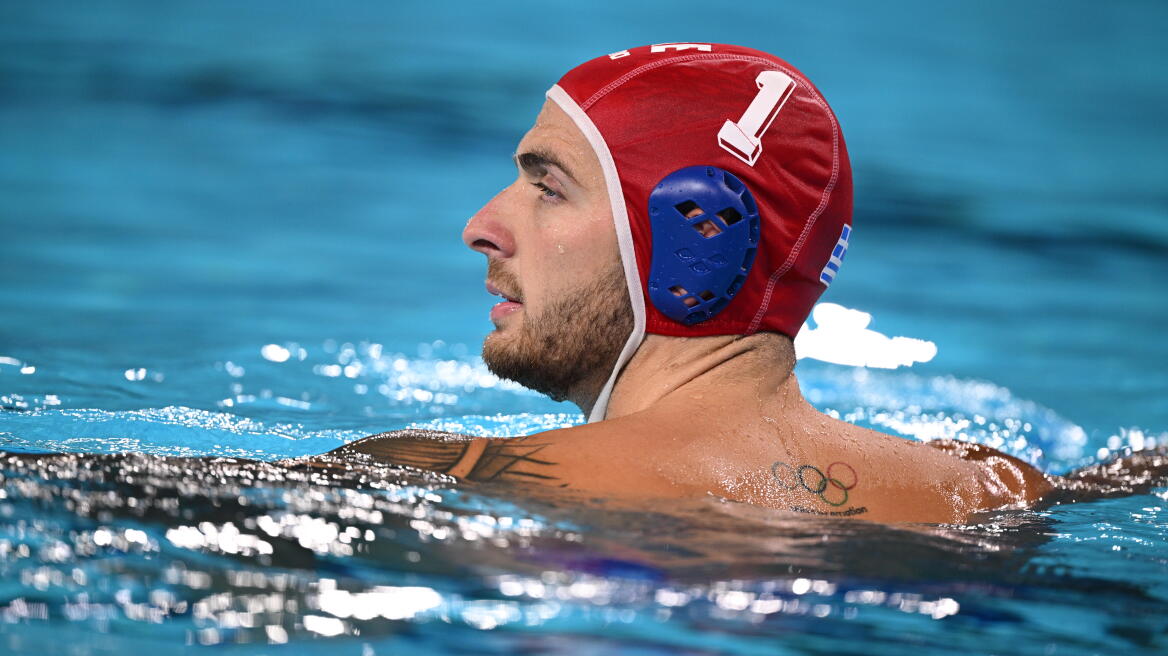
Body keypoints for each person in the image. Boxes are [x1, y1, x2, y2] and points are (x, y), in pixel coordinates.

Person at [324, 43, 1166, 523]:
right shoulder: (989, 490)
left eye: (549, 187)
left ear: (698, 241)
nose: (482, 225)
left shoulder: (449, 477)